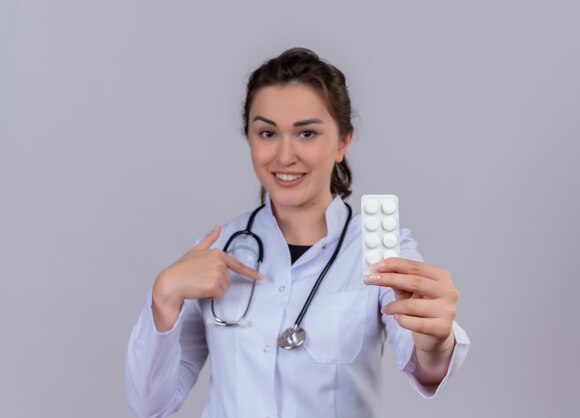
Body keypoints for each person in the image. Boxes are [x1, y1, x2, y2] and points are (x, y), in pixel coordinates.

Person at [124, 47, 470, 418]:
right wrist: (163, 295)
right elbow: (151, 405)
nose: (284, 155)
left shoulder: (380, 249)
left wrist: (436, 340)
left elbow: (427, 364)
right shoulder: (218, 249)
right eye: (267, 132)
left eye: (306, 133)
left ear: (342, 142)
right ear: (250, 139)